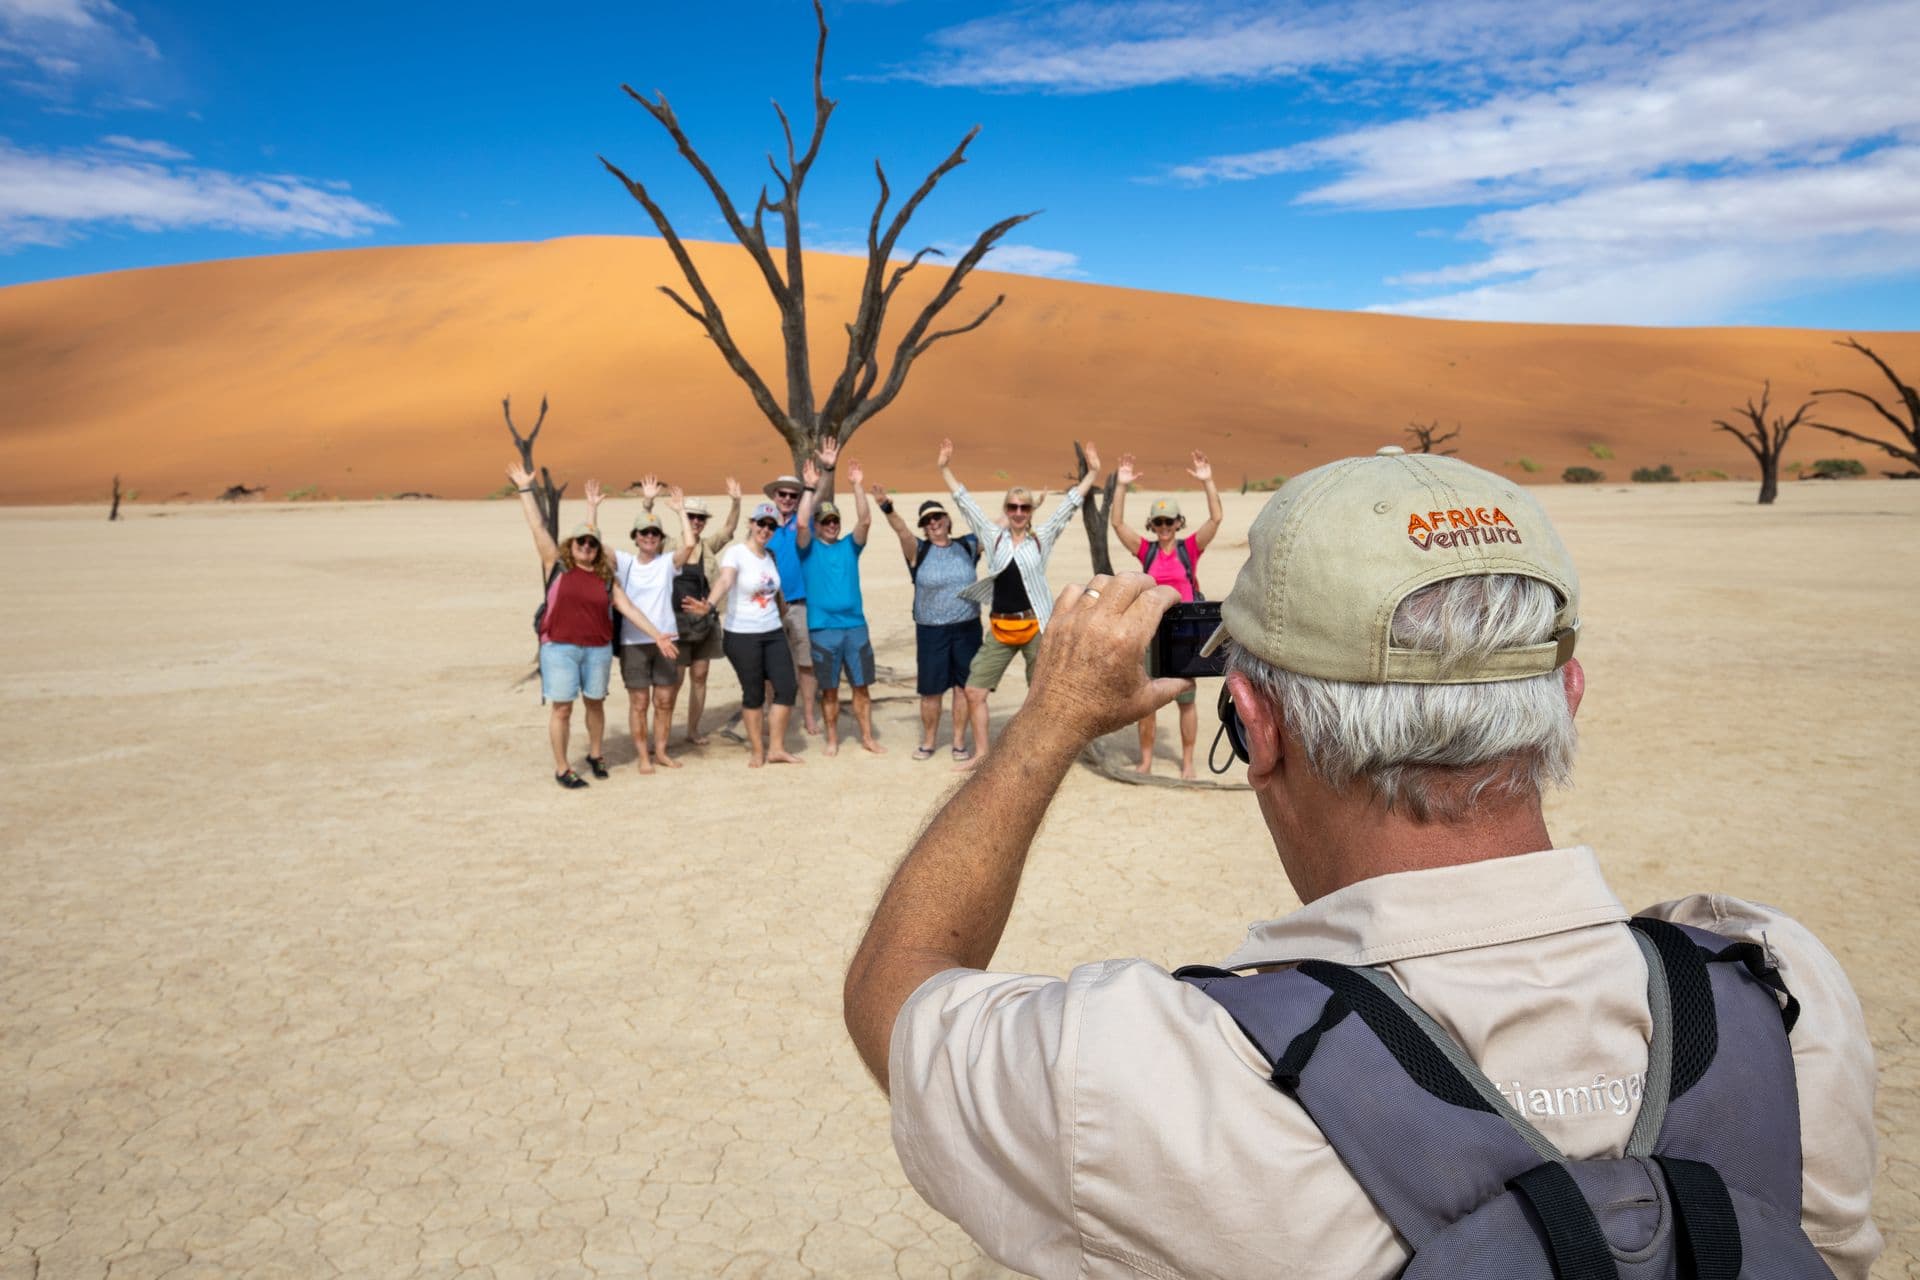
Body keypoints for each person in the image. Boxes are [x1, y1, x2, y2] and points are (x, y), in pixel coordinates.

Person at [845, 449, 1878, 1278]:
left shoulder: (1155, 1075)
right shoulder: (1782, 995)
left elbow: (899, 990)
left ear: (1255, 724)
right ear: (1566, 696)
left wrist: (1052, 719)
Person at [507, 463, 677, 789]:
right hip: (560, 648)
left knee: (595, 702)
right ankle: (562, 767)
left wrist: (657, 635)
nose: (586, 545)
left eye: (592, 543)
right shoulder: (555, 567)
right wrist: (525, 490)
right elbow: (538, 529)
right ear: (571, 546)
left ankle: (596, 754)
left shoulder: (605, 577)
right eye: (580, 541)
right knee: (561, 709)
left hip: (597, 649)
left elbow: (628, 608)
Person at [938, 436, 1103, 771]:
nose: (1017, 512)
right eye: (1012, 507)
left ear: (1030, 512)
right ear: (1005, 509)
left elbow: (1068, 505)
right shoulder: (993, 536)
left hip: (1034, 626)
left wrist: (1093, 472)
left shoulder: (1041, 538)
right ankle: (983, 753)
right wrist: (944, 468)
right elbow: (965, 504)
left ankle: (1041, 755)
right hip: (1000, 627)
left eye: (1024, 507)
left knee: (1041, 694)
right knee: (974, 691)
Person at [1110, 450, 1224, 779]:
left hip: (1184, 634)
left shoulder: (1189, 549)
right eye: (1158, 522)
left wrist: (1207, 481)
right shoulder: (1145, 551)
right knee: (1147, 700)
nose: (1164, 527)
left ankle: (1187, 764)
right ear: (1152, 525)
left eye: (1169, 521)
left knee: (1185, 699)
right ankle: (1145, 759)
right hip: (1151, 631)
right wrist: (1121, 485)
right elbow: (1117, 524)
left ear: (1178, 523)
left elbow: (1216, 520)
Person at [587, 476, 697, 774]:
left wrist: (680, 512)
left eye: (654, 533)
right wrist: (592, 509)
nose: (649, 536)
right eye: (644, 532)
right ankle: (643, 757)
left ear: (660, 538)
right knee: (639, 703)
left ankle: (660, 751)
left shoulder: (667, 564)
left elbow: (689, 544)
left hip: (667, 640)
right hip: (634, 643)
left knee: (664, 699)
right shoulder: (625, 562)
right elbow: (592, 540)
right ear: (635, 536)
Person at [872, 483, 982, 762]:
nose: (933, 523)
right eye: (928, 521)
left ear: (947, 520)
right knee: (931, 690)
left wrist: (1025, 509)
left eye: (937, 517)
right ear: (923, 526)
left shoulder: (967, 545)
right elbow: (901, 530)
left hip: (967, 628)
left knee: (963, 687)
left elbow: (992, 529)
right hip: (932, 630)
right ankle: (929, 741)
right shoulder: (917, 551)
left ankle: (958, 742)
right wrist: (887, 507)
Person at [640, 476, 741, 744]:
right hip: (676, 623)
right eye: (693, 516)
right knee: (675, 679)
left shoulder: (709, 546)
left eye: (701, 518)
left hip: (705, 622)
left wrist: (736, 501)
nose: (697, 522)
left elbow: (729, 529)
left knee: (701, 675)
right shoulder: (670, 545)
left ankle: (693, 730)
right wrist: (648, 503)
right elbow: (646, 534)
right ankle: (663, 732)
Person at [795, 457, 884, 756]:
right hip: (823, 629)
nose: (832, 526)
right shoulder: (808, 549)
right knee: (830, 689)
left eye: (835, 521)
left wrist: (857, 486)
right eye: (826, 522)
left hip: (855, 627)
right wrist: (809, 487)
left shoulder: (850, 546)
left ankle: (868, 738)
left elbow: (866, 521)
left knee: (861, 686)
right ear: (818, 526)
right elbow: (801, 522)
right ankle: (832, 740)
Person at [707, 501, 802, 768]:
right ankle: (757, 751)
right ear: (751, 523)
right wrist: (710, 604)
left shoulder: (770, 556)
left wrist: (785, 620)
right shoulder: (736, 553)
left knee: (786, 687)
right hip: (742, 634)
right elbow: (725, 581)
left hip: (772, 631)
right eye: (761, 523)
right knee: (753, 693)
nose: (766, 529)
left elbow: (776, 593)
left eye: (771, 525)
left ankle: (777, 748)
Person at [762, 440, 840, 736]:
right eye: (782, 494)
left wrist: (827, 470)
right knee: (769, 664)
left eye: (792, 495)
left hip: (801, 603)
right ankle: (772, 713)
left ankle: (808, 715)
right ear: (774, 496)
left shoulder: (802, 521)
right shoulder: (763, 524)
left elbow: (818, 497)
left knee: (806, 664)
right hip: (768, 605)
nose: (787, 499)